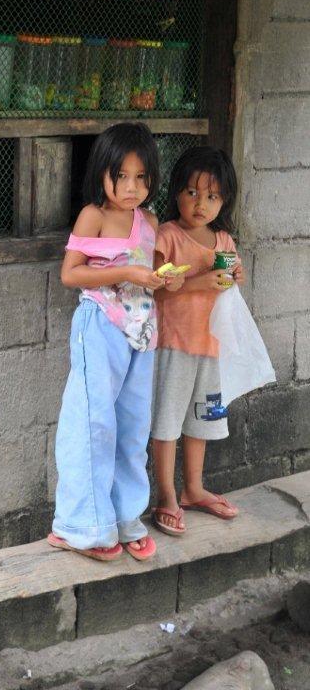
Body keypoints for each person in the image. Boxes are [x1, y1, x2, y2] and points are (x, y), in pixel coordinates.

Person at [47, 123, 180, 562]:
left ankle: (124, 518)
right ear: (102, 173)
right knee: (93, 424)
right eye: (121, 176)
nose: (131, 187)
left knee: (132, 426)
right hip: (100, 326)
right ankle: (80, 526)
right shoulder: (94, 216)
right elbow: (71, 274)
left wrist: (167, 281)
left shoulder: (150, 222)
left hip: (141, 333)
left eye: (142, 177)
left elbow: (151, 280)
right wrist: (125, 272)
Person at [151, 145, 245, 537]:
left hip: (212, 347)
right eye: (192, 192)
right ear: (176, 193)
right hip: (175, 344)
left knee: (201, 422)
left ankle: (193, 487)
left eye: (211, 196)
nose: (200, 203)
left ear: (223, 201)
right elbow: (156, 289)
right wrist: (197, 283)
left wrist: (236, 277)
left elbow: (231, 280)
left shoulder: (223, 240)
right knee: (167, 422)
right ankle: (166, 495)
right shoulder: (168, 236)